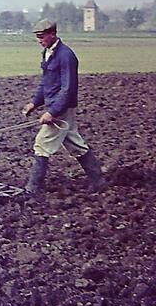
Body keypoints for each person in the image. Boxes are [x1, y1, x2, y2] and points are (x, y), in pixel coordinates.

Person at [21, 19, 106, 196]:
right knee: (75, 144)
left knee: (41, 145)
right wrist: (34, 103)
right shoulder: (47, 52)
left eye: (42, 37)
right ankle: (98, 181)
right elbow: (46, 83)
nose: (39, 40)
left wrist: (52, 112)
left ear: (52, 34)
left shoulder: (66, 55)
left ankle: (33, 189)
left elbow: (68, 88)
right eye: (37, 37)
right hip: (56, 106)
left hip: (61, 108)